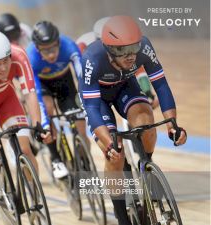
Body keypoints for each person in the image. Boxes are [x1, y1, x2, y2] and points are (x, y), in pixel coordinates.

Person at [79, 15, 187, 224]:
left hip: (124, 87)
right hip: (97, 98)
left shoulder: (144, 47)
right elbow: (91, 106)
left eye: (133, 48)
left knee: (146, 122)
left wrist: (173, 124)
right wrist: (110, 143)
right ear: (110, 50)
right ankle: (122, 217)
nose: (130, 56)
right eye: (122, 51)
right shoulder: (92, 57)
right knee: (115, 156)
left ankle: (147, 165)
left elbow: (161, 85)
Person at [0, 30, 54, 186]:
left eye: (6, 61)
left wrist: (37, 125)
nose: (3, 68)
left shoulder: (19, 54)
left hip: (7, 99)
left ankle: (35, 193)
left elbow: (30, 93)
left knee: (25, 148)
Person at [26, 20, 91, 176]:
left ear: (59, 42)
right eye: (45, 50)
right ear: (37, 48)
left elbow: (82, 77)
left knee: (80, 125)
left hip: (65, 83)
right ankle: (55, 158)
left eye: (54, 47)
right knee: (47, 109)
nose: (51, 54)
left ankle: (84, 160)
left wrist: (87, 103)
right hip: (43, 85)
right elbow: (37, 97)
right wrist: (45, 124)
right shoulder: (31, 57)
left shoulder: (69, 45)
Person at [76, 16, 159, 109]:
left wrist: (148, 91)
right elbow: (82, 74)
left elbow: (139, 68)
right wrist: (82, 94)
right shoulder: (84, 45)